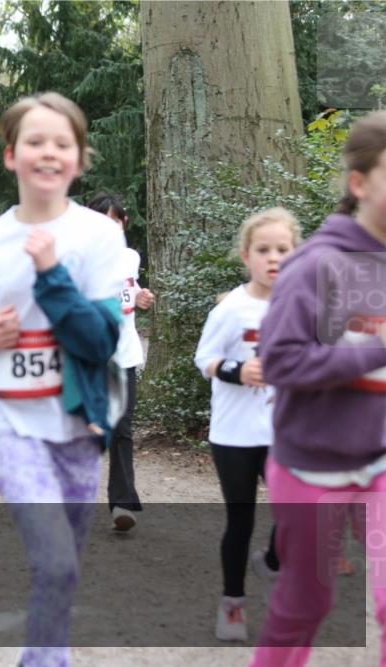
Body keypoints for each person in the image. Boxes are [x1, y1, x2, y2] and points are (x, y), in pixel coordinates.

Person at [0, 92, 127, 667]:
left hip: (77, 426)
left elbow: (100, 341)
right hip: (10, 425)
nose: (49, 152)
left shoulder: (100, 237)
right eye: (35, 141)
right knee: (53, 559)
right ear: (11, 155)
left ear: (78, 159)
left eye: (62, 143)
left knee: (64, 564)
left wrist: (51, 274)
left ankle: (41, 656)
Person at [250, 112, 386, 666]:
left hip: (380, 463)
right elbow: (279, 362)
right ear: (360, 184)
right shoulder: (320, 265)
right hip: (312, 465)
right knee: (306, 603)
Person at [194, 207, 299, 641]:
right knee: (241, 522)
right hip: (235, 434)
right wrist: (237, 370)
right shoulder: (232, 309)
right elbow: (203, 359)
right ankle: (232, 606)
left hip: (285, 432)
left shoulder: (304, 305)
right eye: (263, 249)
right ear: (245, 256)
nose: (273, 257)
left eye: (283, 249)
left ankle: (274, 561)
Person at [86, 193, 154, 532]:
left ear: (123, 223)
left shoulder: (130, 257)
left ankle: (123, 503)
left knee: (123, 427)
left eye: (113, 221)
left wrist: (141, 296)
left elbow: (131, 289)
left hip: (125, 353)